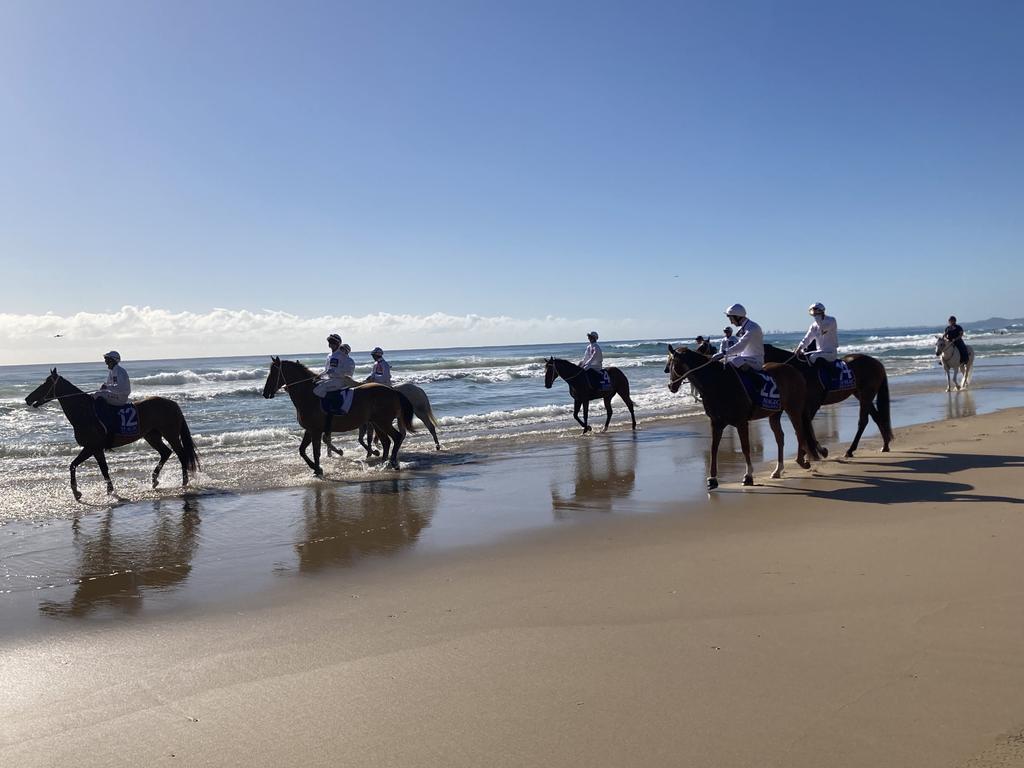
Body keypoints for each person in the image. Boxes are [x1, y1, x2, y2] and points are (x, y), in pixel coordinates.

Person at [713, 304, 764, 371]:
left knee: (736, 360)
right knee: (722, 361)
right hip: (744, 358)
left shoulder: (752, 328)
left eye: (731, 319)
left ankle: (756, 380)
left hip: (755, 360)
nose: (731, 322)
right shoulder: (742, 328)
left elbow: (740, 347)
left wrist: (723, 353)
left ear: (737, 317)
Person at [796, 302, 839, 373]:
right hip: (820, 351)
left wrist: (819, 318)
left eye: (816, 311)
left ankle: (833, 373)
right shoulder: (813, 326)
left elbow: (823, 330)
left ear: (822, 311)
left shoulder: (831, 320)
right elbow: (807, 338)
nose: (815, 314)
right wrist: (799, 347)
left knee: (813, 357)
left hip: (830, 352)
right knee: (805, 356)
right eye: (813, 312)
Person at [313, 334, 358, 398]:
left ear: (338, 343)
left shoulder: (344, 356)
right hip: (331, 380)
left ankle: (331, 405)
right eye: (330, 342)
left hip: (341, 381)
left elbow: (348, 374)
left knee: (317, 389)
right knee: (315, 384)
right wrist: (320, 375)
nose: (331, 344)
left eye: (333, 342)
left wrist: (335, 372)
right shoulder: (329, 356)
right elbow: (326, 370)